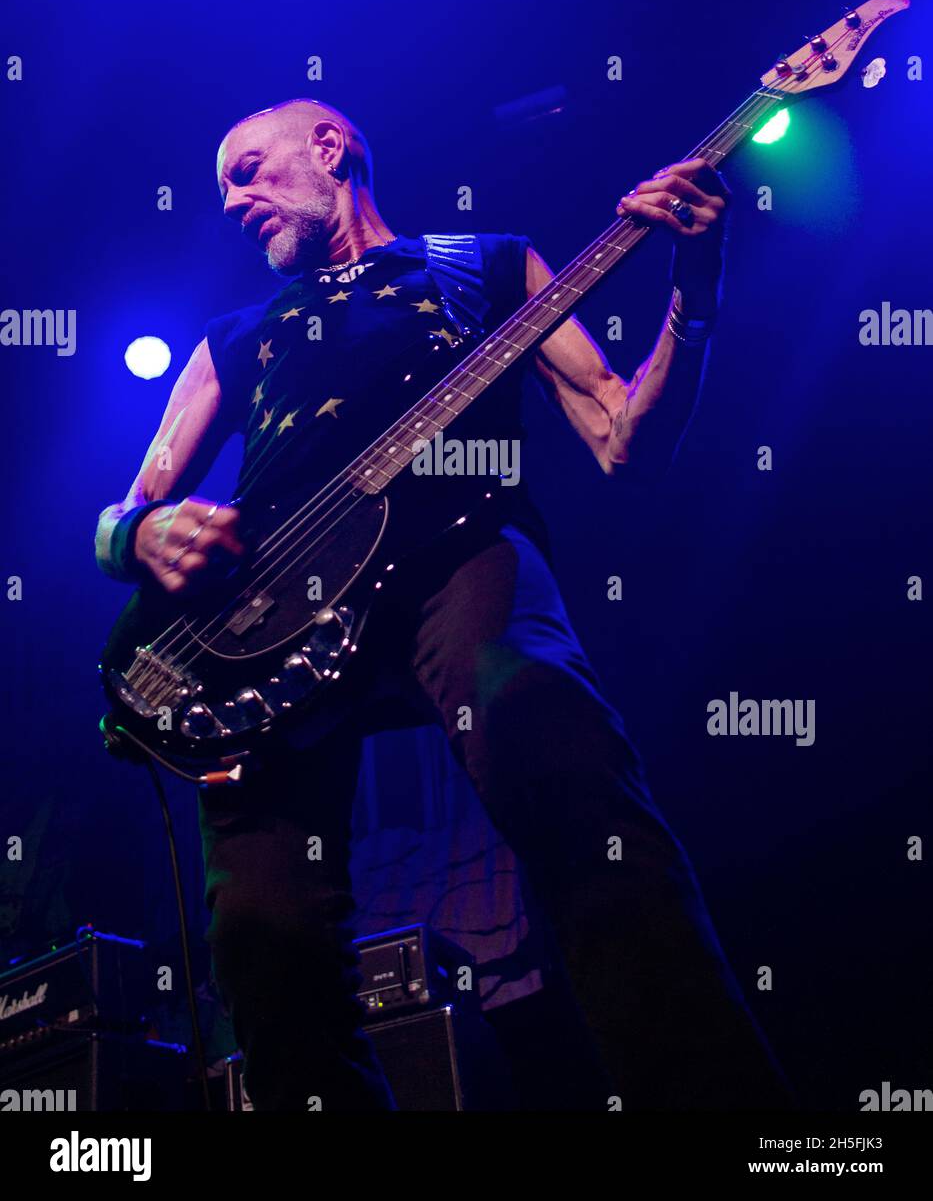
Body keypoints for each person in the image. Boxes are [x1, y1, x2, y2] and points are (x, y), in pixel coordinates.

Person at [96, 98, 792, 1110]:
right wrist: (140, 534)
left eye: (247, 170)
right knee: (262, 934)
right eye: (222, 190)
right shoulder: (232, 341)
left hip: (455, 557)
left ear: (331, 149)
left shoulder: (486, 266)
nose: (233, 202)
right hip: (261, 630)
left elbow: (622, 439)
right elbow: (128, 512)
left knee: (552, 755)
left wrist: (696, 279)